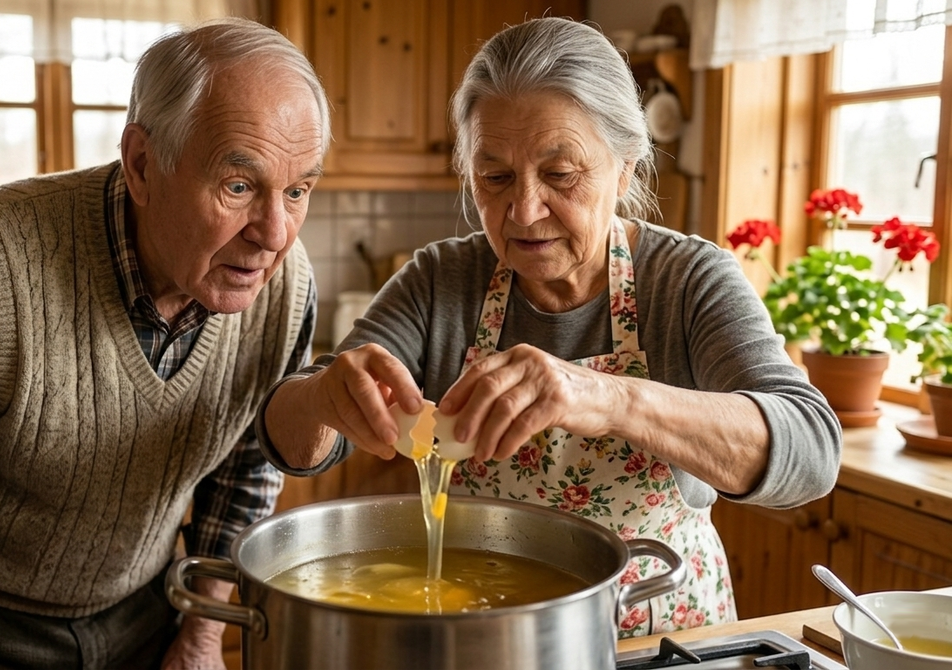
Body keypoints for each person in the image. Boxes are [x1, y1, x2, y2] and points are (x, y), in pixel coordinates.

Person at [256, 17, 840, 637]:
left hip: (661, 640)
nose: (524, 210)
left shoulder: (690, 280)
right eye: (496, 177)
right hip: (490, 638)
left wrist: (607, 396)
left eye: (561, 174)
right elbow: (290, 439)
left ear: (625, 168)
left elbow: (812, 451)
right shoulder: (440, 282)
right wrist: (324, 398)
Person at [0, 17, 329, 669]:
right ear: (143, 164)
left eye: (297, 190)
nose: (275, 233)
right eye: (239, 186)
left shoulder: (285, 287)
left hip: (150, 613)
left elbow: (245, 471)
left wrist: (201, 632)